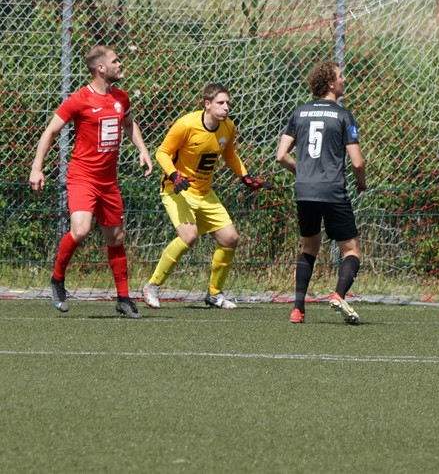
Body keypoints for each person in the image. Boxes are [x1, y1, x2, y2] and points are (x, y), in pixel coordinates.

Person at [29, 45, 154, 318]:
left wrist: (143, 150)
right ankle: (57, 280)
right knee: (81, 229)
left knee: (116, 238)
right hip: (82, 177)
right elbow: (50, 131)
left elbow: (129, 124)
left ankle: (123, 298)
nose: (120, 64)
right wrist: (37, 168)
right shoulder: (79, 99)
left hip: (108, 181)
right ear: (101, 68)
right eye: (115, 61)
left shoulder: (121, 97)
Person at [142, 83, 270, 310]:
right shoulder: (186, 124)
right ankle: (152, 286)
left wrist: (245, 176)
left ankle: (214, 294)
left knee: (230, 238)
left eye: (228, 103)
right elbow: (162, 152)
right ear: (207, 104)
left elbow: (229, 154)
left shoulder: (228, 127)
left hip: (204, 192)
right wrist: (174, 175)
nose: (226, 107)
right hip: (176, 189)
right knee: (189, 235)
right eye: (221, 103)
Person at [276, 61, 367, 325]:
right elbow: (357, 162)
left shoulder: (299, 112)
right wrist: (361, 182)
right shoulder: (343, 115)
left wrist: (304, 173)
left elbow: (281, 155)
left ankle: (297, 309)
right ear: (330, 84)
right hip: (332, 189)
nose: (344, 80)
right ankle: (338, 294)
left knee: (309, 247)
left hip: (304, 190)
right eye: (340, 76)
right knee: (351, 250)